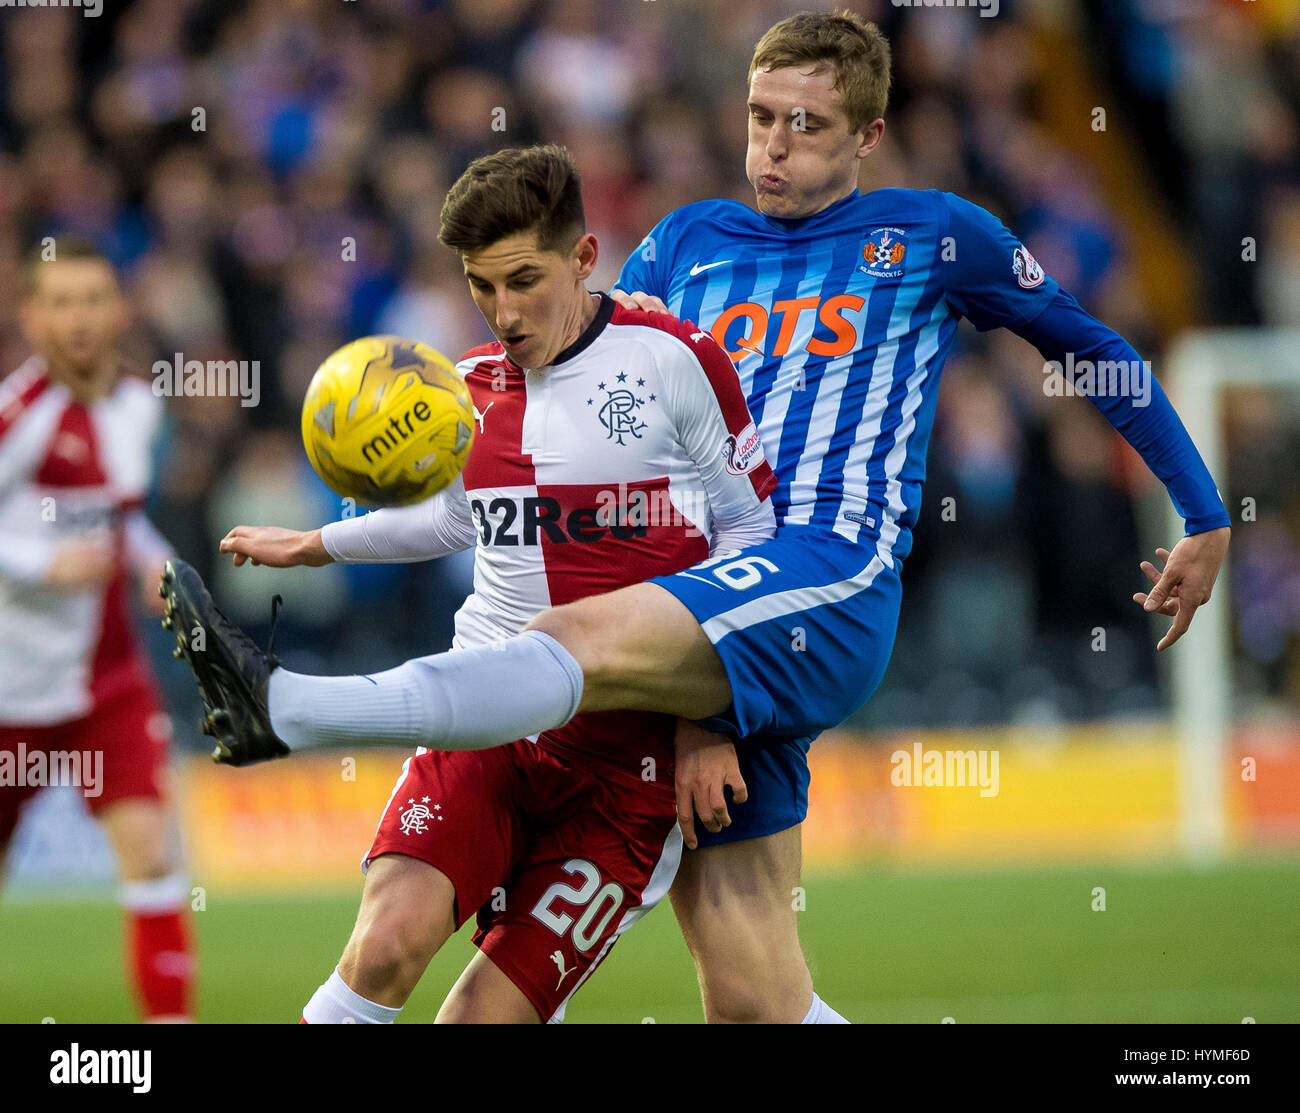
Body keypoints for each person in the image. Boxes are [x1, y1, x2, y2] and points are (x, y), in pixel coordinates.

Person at [168, 11, 1231, 1024]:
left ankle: (295, 710)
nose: (772, 147)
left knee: (564, 639)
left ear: (865, 134)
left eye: (805, 125)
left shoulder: (934, 236)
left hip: (828, 570)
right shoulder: (685, 244)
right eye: (761, 117)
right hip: (699, 603)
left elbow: (1091, 348)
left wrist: (1200, 509)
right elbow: (608, 410)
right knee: (752, 996)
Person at [165, 143, 778, 1022]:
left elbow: (750, 538)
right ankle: (287, 705)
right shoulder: (465, 388)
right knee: (381, 950)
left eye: (524, 279)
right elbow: (458, 518)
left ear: (582, 256)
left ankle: (289, 706)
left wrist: (708, 720)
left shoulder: (676, 360)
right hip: (484, 724)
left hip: (626, 767)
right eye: (480, 286)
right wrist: (319, 544)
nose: (503, 311)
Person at [0, 240, 196, 1023]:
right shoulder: (20, 415)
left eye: (92, 300)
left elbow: (123, 524)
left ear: (118, 312)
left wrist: (162, 566)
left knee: (152, 853)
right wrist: (43, 564)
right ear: (32, 316)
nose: (78, 319)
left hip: (107, 678)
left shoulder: (136, 407)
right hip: (11, 688)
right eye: (61, 301)